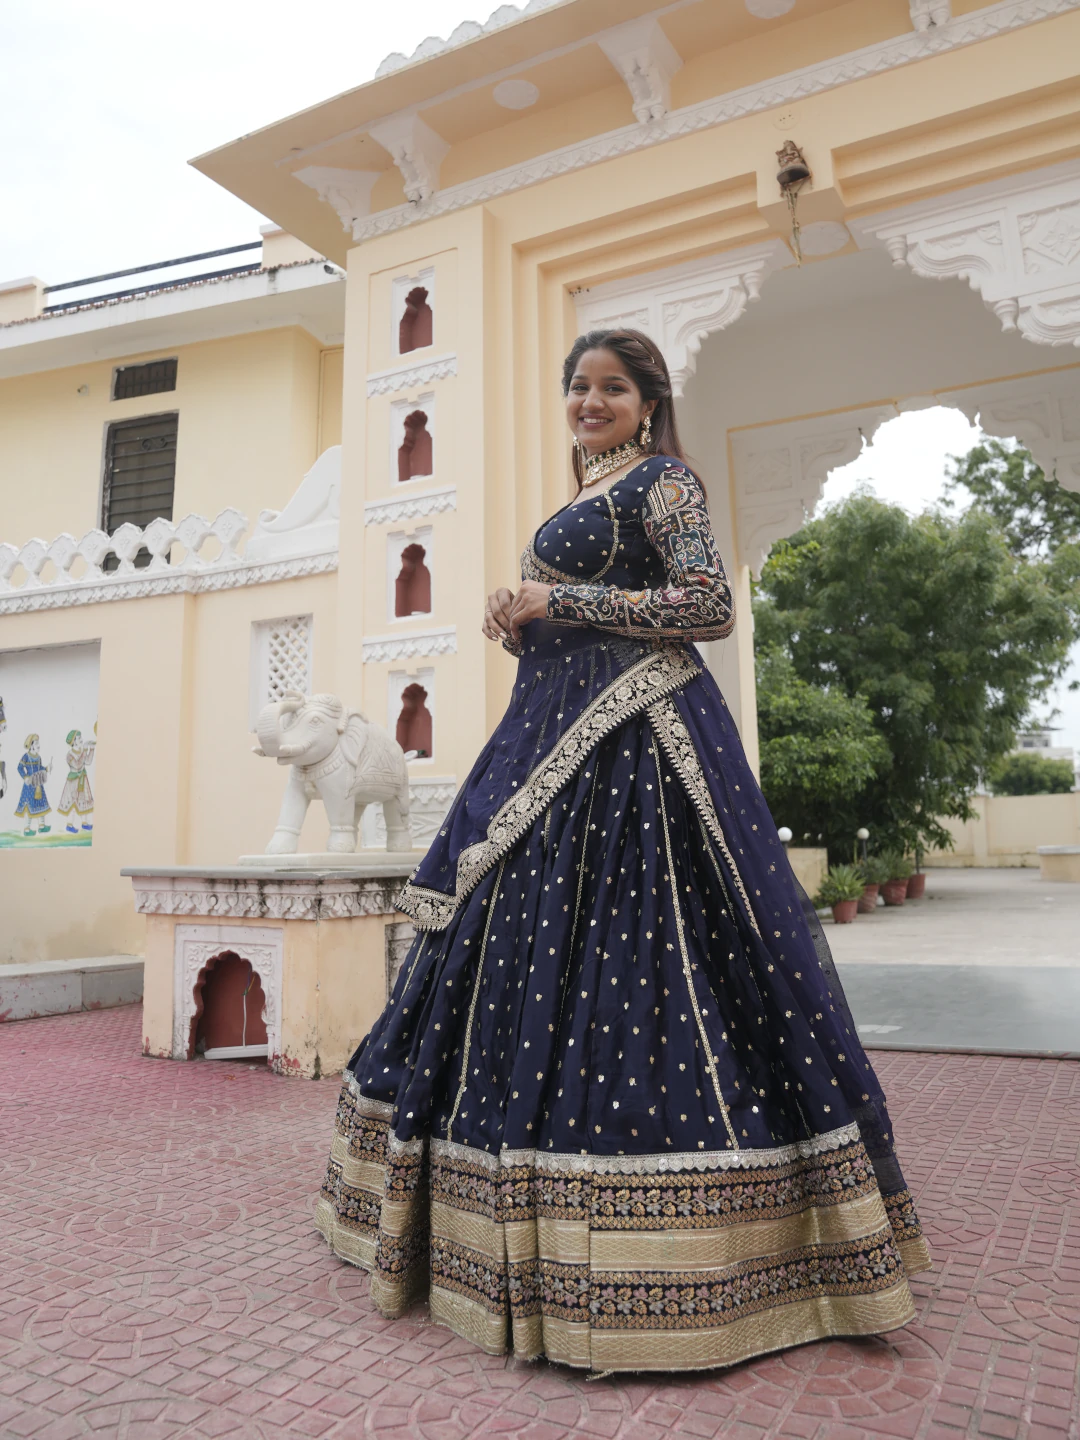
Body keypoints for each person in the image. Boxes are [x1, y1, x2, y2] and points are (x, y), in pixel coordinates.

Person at [317, 328, 931, 1373]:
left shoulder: (667, 484)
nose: (591, 401)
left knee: (654, 964)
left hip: (642, 752)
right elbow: (588, 612)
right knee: (523, 957)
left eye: (613, 388)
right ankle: (498, 1236)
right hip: (552, 747)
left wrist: (559, 598)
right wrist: (521, 619)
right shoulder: (586, 495)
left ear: (648, 403)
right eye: (578, 387)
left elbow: (708, 604)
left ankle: (708, 1253)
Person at [15, 734, 52, 837]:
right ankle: (26, 829)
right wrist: (25, 777)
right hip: (29, 785)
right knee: (29, 807)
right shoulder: (26, 756)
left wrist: (47, 769)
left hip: (39, 784)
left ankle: (41, 826)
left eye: (38, 743)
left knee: (41, 804)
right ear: (31, 745)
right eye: (36, 743)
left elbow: (40, 768)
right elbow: (19, 767)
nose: (38, 745)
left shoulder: (38, 757)